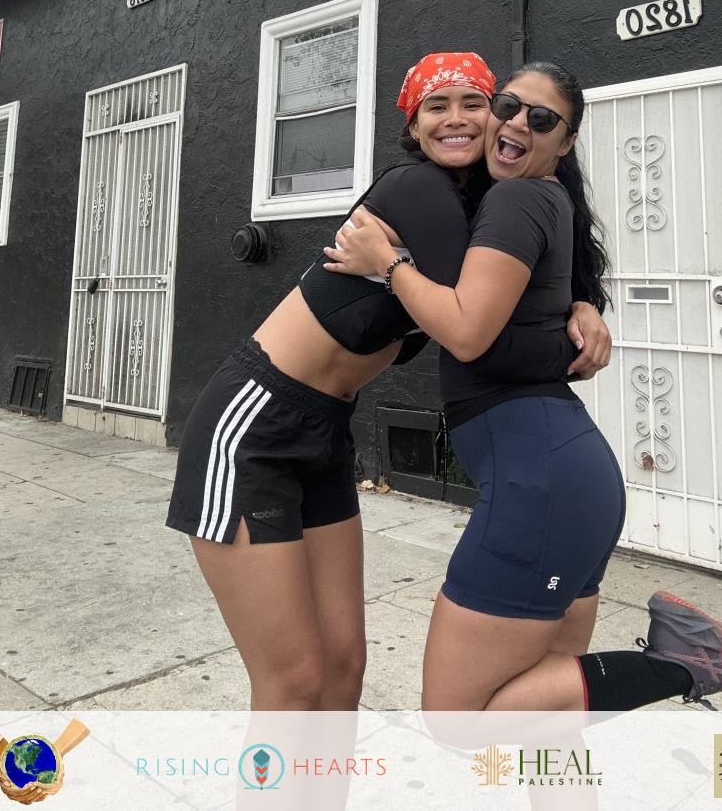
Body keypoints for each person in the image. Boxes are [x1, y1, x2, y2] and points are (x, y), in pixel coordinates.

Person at [325, 61, 722, 713]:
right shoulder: (537, 200)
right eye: (508, 105)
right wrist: (582, 307)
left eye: (541, 119)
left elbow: (466, 332)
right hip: (565, 478)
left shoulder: (516, 199)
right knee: (547, 714)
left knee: (457, 717)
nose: (517, 122)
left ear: (565, 141)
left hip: (538, 485)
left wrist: (389, 263)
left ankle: (684, 661)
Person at [165, 52, 611, 711]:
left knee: (344, 666)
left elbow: (515, 293)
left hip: (325, 431)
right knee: (292, 679)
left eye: (474, 103)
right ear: (412, 126)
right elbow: (478, 327)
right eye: (437, 106)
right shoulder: (417, 190)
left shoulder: (482, 206)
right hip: (255, 421)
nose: (458, 118)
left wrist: (582, 305)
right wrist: (569, 332)